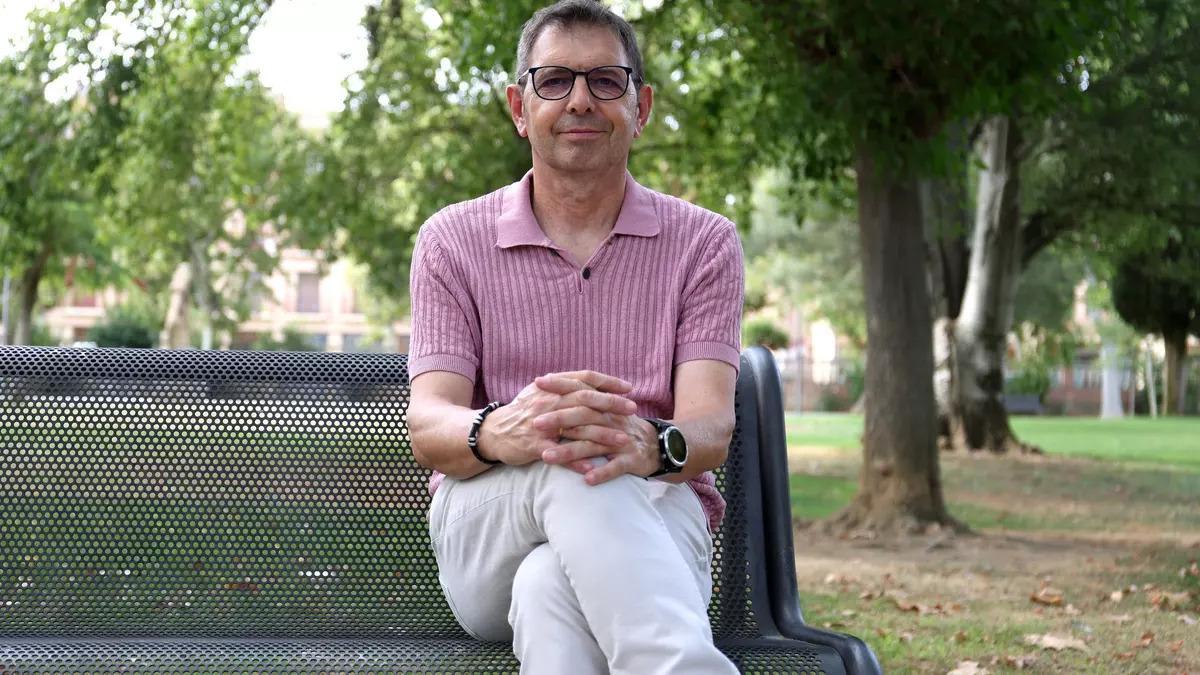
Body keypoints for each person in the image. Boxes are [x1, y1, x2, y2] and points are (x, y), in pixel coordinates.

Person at [407, 1, 744, 672]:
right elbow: (429, 424)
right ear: (518, 106)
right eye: (555, 80)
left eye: (606, 82)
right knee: (576, 463)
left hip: (657, 515)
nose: (581, 100)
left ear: (640, 106)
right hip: (489, 521)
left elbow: (711, 426)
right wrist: (501, 431)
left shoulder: (705, 243)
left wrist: (647, 443)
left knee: (547, 588)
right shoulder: (451, 240)